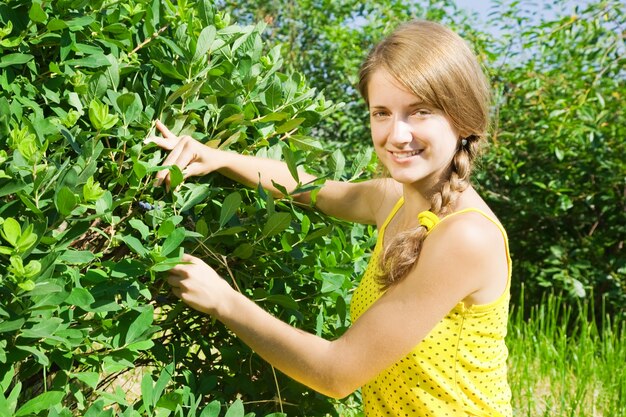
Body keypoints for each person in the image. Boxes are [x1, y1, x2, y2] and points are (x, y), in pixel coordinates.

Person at [146, 19, 512, 417]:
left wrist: (223, 300)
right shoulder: (392, 199)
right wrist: (219, 158)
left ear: (463, 119)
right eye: (381, 112)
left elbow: (336, 374)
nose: (397, 134)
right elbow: (313, 189)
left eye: (420, 112)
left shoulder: (465, 237)